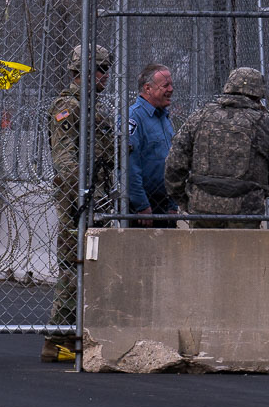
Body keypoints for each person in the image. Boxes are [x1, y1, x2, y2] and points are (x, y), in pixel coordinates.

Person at [43, 43, 116, 362]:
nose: (106, 77)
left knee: (94, 268)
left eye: (107, 70)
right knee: (73, 268)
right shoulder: (68, 106)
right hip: (79, 199)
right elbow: (65, 158)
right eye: (101, 70)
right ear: (83, 72)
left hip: (96, 195)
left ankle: (81, 335)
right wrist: (83, 197)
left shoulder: (94, 107)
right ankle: (58, 341)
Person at [164, 67, 269, 228]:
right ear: (258, 94)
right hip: (245, 210)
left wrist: (184, 200)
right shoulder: (261, 122)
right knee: (242, 253)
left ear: (228, 88)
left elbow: (174, 164)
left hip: (202, 206)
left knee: (203, 252)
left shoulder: (199, 117)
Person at [128, 63, 177, 227]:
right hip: (144, 208)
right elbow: (129, 166)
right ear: (148, 88)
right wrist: (141, 205)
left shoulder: (164, 118)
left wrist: (173, 204)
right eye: (165, 85)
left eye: (171, 84)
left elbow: (173, 163)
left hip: (164, 204)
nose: (171, 89)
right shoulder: (135, 118)